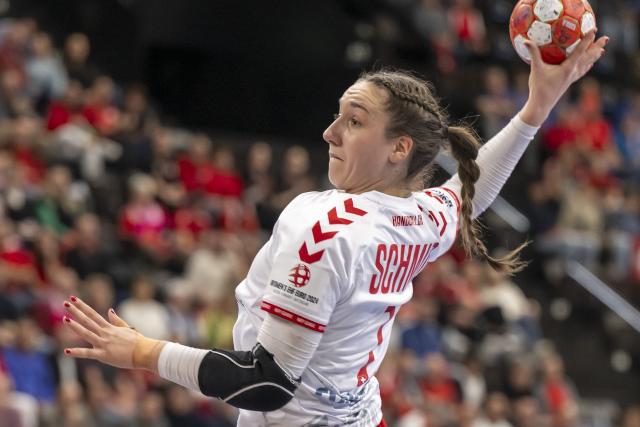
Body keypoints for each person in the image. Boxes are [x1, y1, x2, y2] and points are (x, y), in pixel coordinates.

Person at [61, 32, 608, 426]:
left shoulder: (325, 230)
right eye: (337, 114)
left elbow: (265, 383)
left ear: (399, 149)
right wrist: (537, 106)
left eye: (354, 120)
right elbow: (469, 192)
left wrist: (143, 352)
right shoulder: (418, 217)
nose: (329, 132)